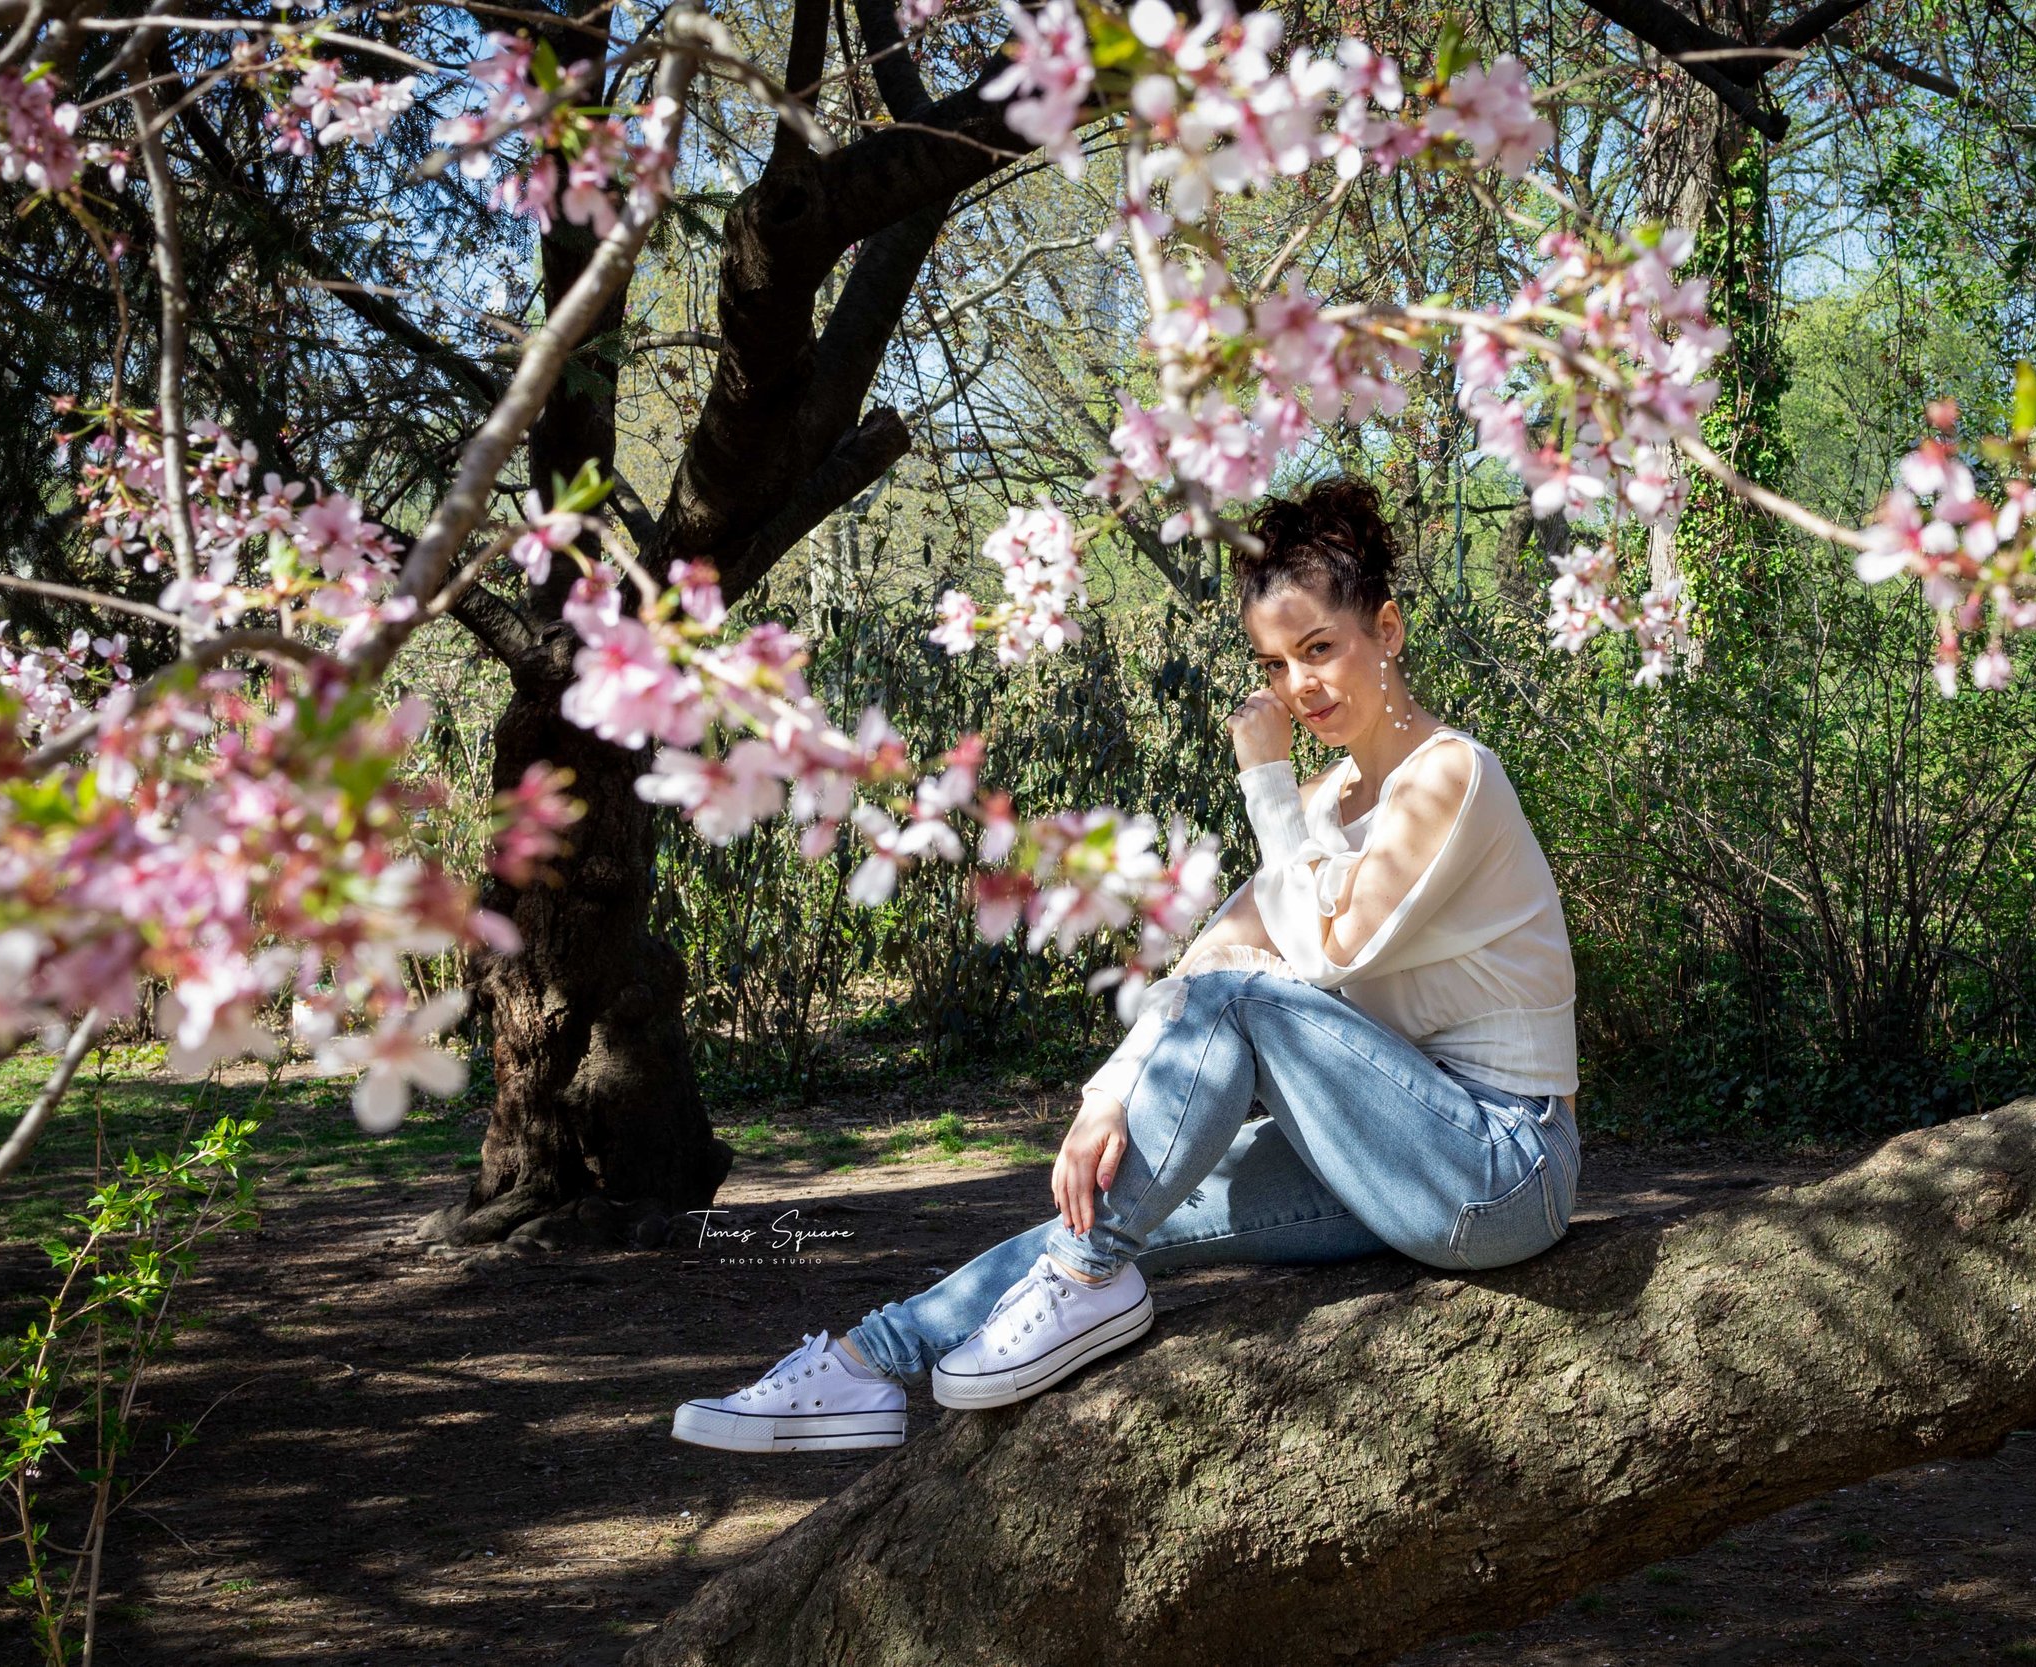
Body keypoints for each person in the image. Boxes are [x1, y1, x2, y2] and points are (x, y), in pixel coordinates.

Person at [670, 477, 1583, 1454]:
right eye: (1273, 663)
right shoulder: (1324, 805)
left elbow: (1317, 952)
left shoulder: (1448, 773)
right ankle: (870, 1362)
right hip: (1383, 1146)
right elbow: (1218, 947)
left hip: (1501, 1163)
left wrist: (1264, 778)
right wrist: (1108, 1092)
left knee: (1231, 1019)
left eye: (1319, 648)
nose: (1297, 685)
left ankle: (1085, 1282)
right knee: (1113, 1193)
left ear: (1387, 629)